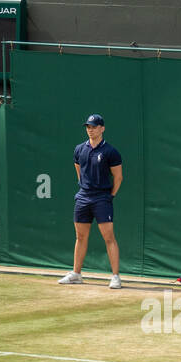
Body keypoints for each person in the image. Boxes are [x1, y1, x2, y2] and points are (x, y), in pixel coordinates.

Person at [59, 113, 123, 288]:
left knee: (109, 237)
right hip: (83, 197)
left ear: (102, 129)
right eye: (88, 127)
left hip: (102, 198)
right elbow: (79, 171)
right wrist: (85, 187)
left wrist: (110, 196)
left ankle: (115, 276)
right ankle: (76, 274)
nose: (91, 130)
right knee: (80, 236)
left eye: (94, 127)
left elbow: (118, 177)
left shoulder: (110, 151)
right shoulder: (79, 149)